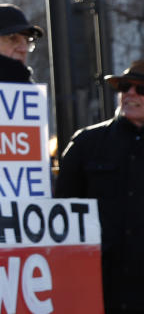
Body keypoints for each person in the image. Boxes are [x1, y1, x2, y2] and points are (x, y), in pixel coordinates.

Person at [56, 59, 144, 314]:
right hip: (99, 288)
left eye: (141, 89)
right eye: (125, 87)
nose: (130, 94)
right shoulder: (86, 143)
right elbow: (63, 212)